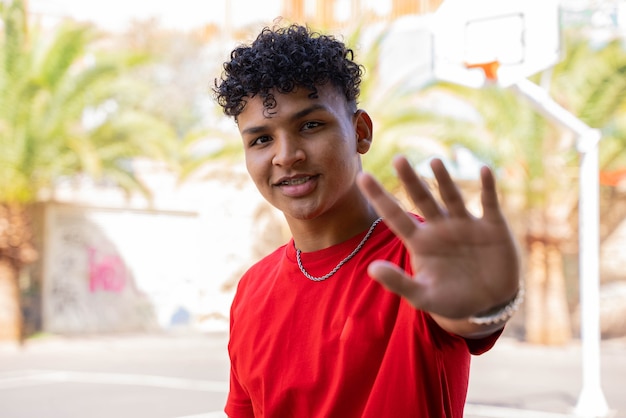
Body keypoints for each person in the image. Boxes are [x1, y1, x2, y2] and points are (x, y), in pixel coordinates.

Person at [213, 23, 521, 418]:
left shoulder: (423, 258)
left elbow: (469, 315)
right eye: (261, 139)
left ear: (360, 132)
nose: (286, 155)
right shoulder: (251, 290)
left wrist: (490, 300)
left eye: (310, 125)